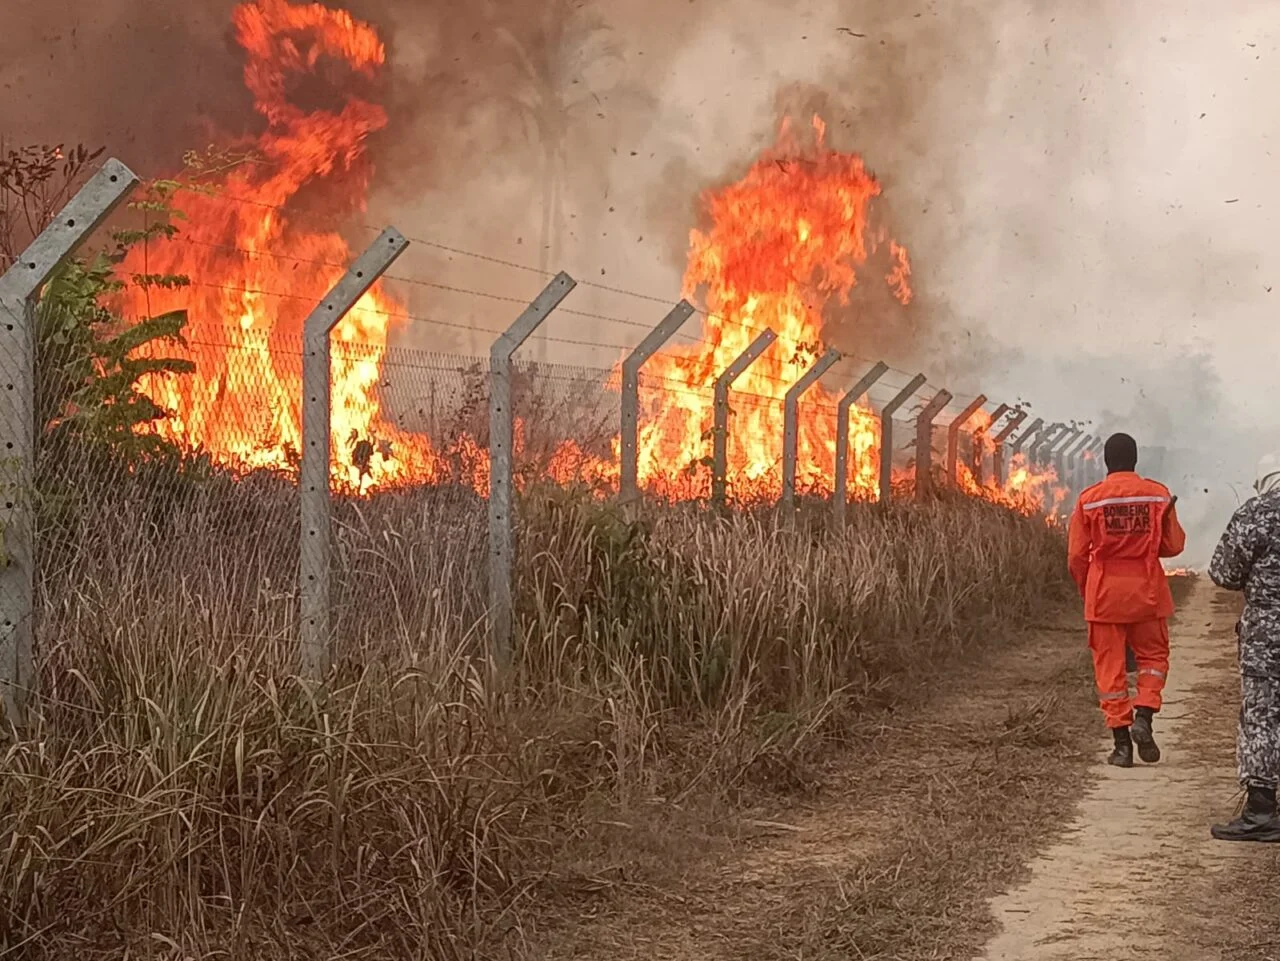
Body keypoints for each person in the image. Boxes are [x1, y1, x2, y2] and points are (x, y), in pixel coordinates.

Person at [1068, 432, 1186, 767]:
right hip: (1147, 591)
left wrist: (1086, 589)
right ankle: (1144, 716)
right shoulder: (1158, 495)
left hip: (1104, 593)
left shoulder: (1090, 499)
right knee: (1152, 658)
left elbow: (1077, 556)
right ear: (1135, 460)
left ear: (1106, 462)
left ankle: (1121, 747)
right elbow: (1173, 546)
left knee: (1110, 669)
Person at [1207, 452, 1280, 842]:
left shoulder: (1256, 514)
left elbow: (1223, 572)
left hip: (1268, 639)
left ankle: (1262, 811)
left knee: (1263, 717)